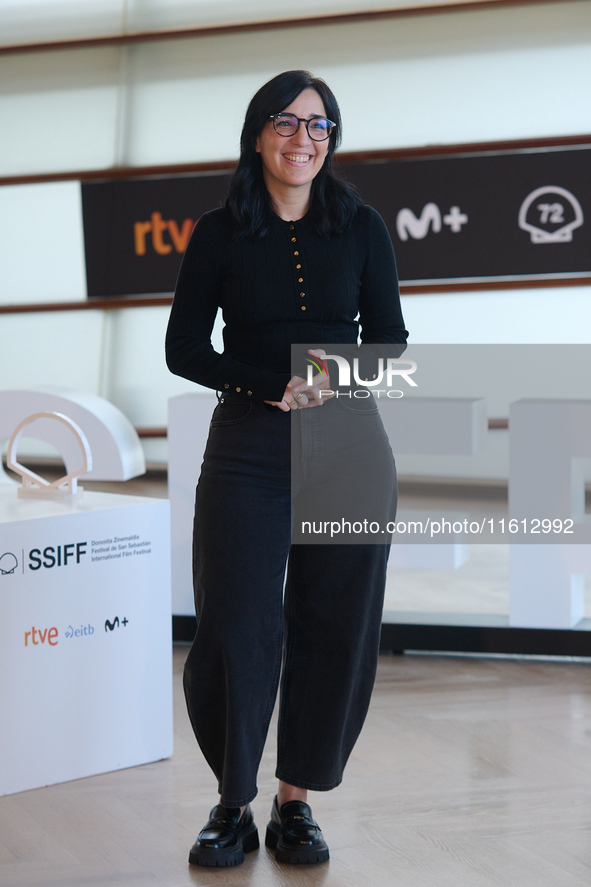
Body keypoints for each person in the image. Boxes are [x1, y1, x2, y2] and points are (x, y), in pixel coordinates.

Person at [165, 69, 408, 867]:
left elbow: (389, 340)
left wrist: (329, 378)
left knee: (335, 624)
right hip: (247, 444)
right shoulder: (219, 230)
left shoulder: (362, 223)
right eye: (287, 122)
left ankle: (294, 800)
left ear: (330, 140)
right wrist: (269, 385)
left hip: (349, 444)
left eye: (319, 126)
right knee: (236, 626)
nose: (303, 139)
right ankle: (231, 800)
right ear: (257, 133)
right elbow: (185, 348)